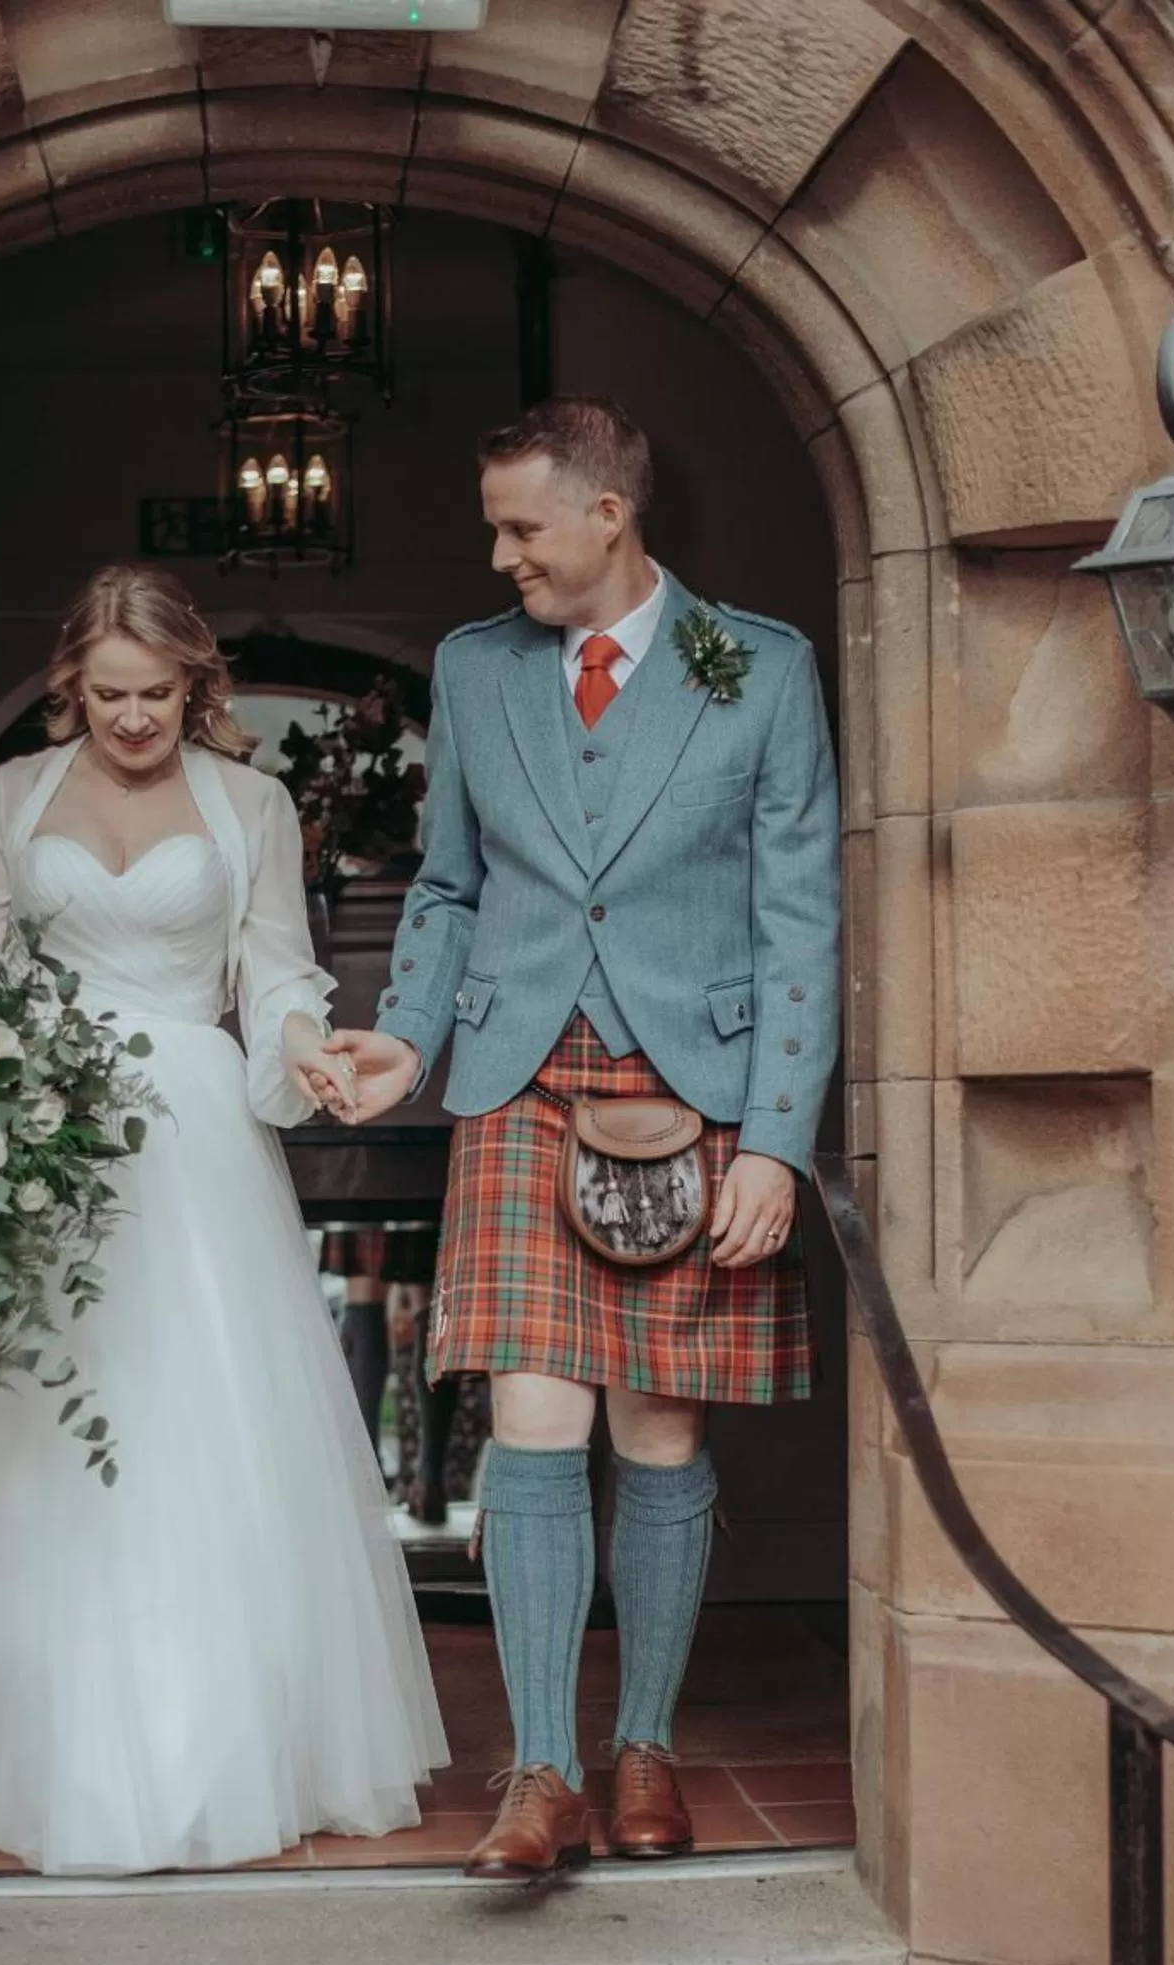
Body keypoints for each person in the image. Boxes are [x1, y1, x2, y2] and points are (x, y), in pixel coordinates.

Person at [0, 566, 447, 1874]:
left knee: (198, 1416)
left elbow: (276, 968)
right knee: (38, 1432)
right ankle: (39, 1747)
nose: (130, 720)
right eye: (107, 695)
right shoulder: (12, 799)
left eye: (155, 695)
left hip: (195, 1129)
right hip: (41, 1138)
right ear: (72, 687)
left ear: (197, 684)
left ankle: (215, 1745)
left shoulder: (255, 804)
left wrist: (311, 1050)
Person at [323, 397, 840, 1881]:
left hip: (703, 1091)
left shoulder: (764, 669)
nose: (501, 558)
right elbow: (448, 888)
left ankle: (647, 1750)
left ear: (610, 513)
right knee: (536, 1421)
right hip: (519, 1075)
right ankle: (541, 1774)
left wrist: (777, 1144)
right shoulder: (477, 676)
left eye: (521, 526)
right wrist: (408, 1038)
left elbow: (802, 915)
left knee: (660, 1424)